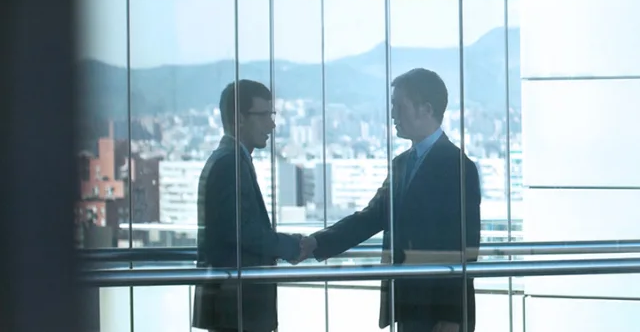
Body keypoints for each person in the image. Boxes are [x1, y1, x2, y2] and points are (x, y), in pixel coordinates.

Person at [310, 68, 482, 332]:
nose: (392, 114)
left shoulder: (458, 166)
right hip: (409, 303)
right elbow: (372, 216)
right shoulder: (403, 163)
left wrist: (451, 318)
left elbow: (464, 245)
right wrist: (315, 243)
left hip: (439, 313)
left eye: (398, 105)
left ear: (425, 109)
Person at [193, 80, 316, 332]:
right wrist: (291, 246)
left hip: (234, 305)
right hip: (236, 307)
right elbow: (240, 231)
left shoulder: (231, 159)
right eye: (263, 115)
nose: (271, 124)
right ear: (239, 118)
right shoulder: (230, 163)